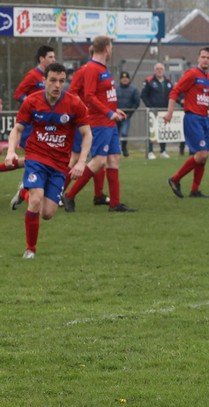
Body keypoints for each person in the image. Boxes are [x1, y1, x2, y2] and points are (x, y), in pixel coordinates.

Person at [4, 63, 91, 258]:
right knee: (36, 199)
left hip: (59, 164)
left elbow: (87, 134)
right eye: (53, 80)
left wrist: (81, 161)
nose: (57, 85)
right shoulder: (32, 101)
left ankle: (23, 192)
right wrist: (10, 151)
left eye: (62, 81)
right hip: (36, 156)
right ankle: (30, 250)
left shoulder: (74, 104)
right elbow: (17, 129)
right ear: (44, 81)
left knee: (47, 213)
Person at [62, 35, 135, 213]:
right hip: (99, 122)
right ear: (107, 48)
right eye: (111, 47)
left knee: (113, 159)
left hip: (109, 122)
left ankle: (115, 204)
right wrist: (109, 112)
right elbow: (89, 96)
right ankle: (69, 195)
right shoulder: (92, 69)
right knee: (98, 160)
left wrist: (114, 110)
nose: (112, 51)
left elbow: (104, 97)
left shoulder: (103, 69)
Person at [165, 47, 209, 199]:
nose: (205, 60)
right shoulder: (191, 74)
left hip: (205, 118)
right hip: (193, 118)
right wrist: (170, 112)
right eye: (203, 57)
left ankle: (195, 190)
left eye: (208, 57)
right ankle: (175, 179)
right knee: (201, 155)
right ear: (198, 58)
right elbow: (174, 91)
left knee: (204, 156)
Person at [6, 45, 56, 208]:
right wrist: (31, 103)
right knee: (35, 159)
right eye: (50, 57)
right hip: (32, 125)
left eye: (54, 57)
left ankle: (27, 188)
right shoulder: (33, 75)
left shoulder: (50, 77)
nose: (53, 60)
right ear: (42, 59)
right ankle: (27, 189)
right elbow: (18, 94)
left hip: (44, 125)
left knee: (34, 160)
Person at [141, 63, 173, 159]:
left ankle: (163, 151)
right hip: (153, 111)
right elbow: (143, 95)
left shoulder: (168, 82)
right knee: (152, 131)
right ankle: (150, 151)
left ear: (164, 70)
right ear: (155, 70)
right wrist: (150, 106)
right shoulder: (149, 81)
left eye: (161, 69)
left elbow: (173, 94)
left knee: (163, 130)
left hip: (164, 111)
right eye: (158, 69)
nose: (159, 70)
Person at [116, 71, 140, 157]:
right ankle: (116, 149)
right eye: (123, 78)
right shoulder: (116, 89)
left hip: (126, 115)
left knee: (124, 133)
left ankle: (124, 147)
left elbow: (136, 102)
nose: (124, 80)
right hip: (116, 115)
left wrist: (130, 113)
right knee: (115, 133)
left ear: (129, 79)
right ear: (120, 79)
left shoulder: (133, 89)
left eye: (126, 78)